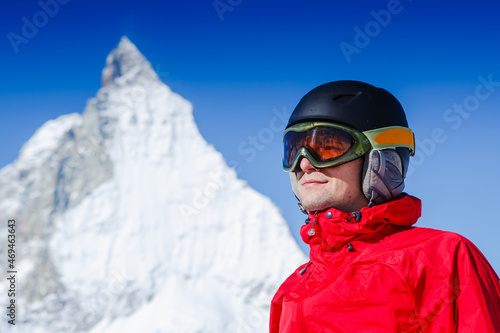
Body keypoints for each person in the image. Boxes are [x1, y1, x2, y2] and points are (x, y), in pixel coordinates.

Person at [270, 80, 500, 332]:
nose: (305, 164)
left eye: (327, 147)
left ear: (380, 159)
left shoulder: (440, 258)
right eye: (294, 150)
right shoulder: (289, 293)